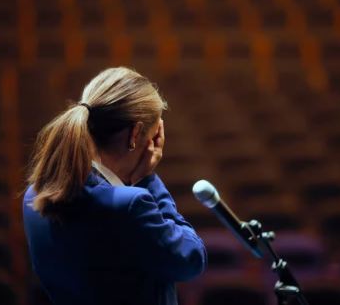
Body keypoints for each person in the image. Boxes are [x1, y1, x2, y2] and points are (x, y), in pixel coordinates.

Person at [22, 67, 207, 305]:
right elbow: (191, 259)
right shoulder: (128, 206)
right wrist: (147, 180)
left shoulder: (34, 195)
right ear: (135, 134)